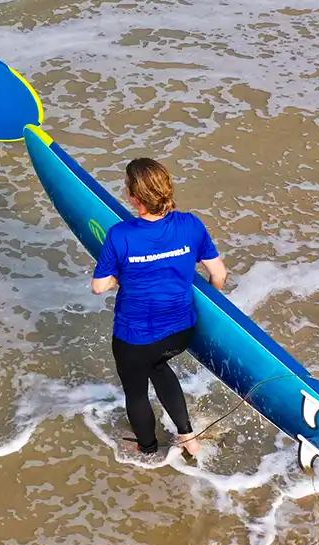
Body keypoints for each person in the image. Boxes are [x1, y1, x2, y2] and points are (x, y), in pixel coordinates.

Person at [90, 158, 228, 462]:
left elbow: (99, 286)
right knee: (158, 366)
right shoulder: (191, 224)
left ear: (133, 196)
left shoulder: (120, 235)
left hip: (135, 340)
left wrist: (123, 274)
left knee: (136, 393)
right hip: (180, 333)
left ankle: (148, 448)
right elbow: (218, 274)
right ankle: (188, 437)